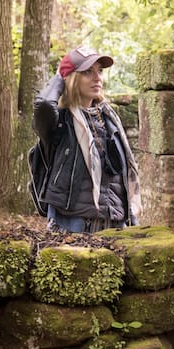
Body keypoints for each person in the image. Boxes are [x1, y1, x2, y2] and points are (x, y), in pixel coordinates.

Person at [32, 45, 141, 233]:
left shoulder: (108, 118)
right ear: (72, 78)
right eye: (87, 72)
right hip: (74, 222)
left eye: (99, 71)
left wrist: (130, 215)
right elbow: (43, 106)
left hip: (114, 220)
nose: (97, 77)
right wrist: (60, 76)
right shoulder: (60, 122)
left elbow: (122, 173)